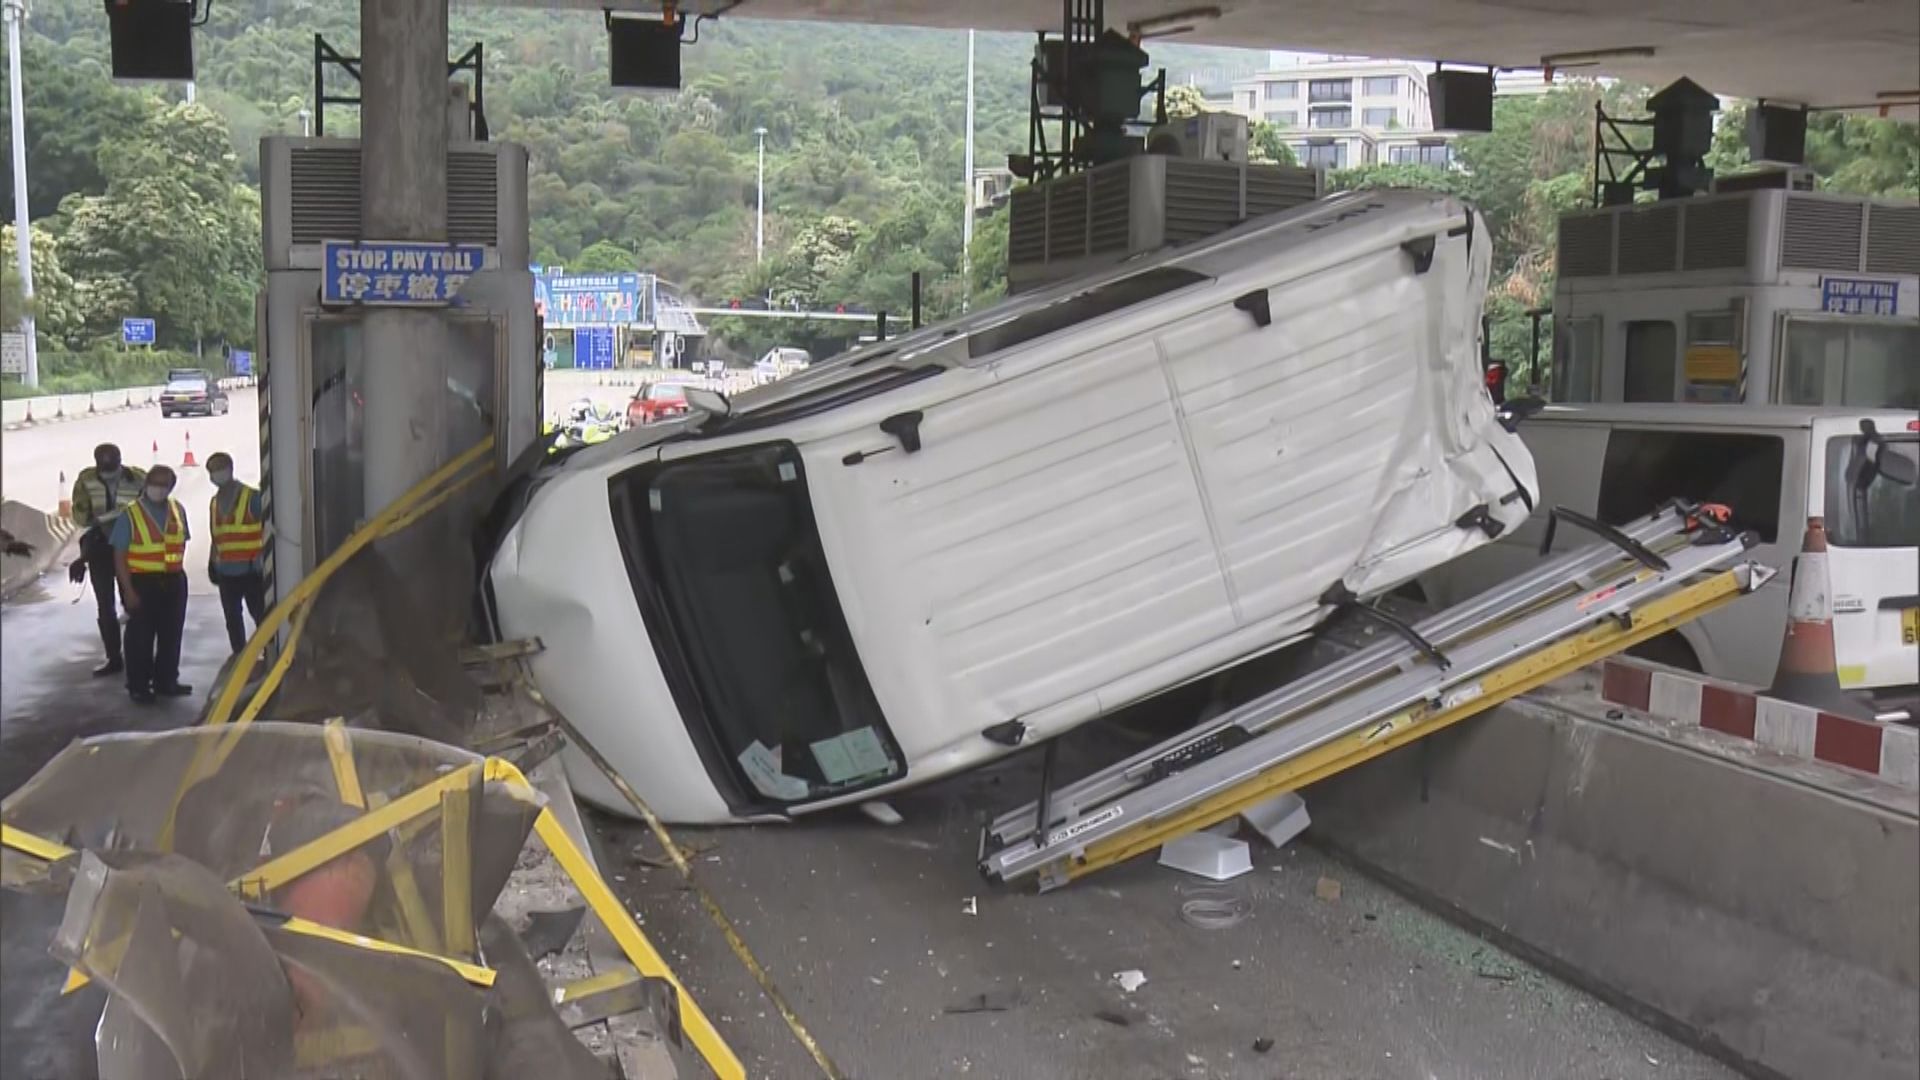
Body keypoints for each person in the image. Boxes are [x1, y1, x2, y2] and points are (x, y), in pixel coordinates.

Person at [112, 465, 191, 704]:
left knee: (171, 635)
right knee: (141, 638)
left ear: (171, 487)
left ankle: (166, 681)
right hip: (142, 583)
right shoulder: (130, 514)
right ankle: (138, 686)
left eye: (164, 484)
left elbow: (181, 542)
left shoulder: (178, 510)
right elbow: (119, 556)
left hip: (174, 581)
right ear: (146, 484)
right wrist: (128, 591)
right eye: (154, 483)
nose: (158, 488)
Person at [70, 444, 148, 677]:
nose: (107, 468)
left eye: (111, 462)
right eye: (102, 464)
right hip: (100, 548)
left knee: (132, 601)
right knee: (105, 606)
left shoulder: (137, 478)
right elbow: (80, 517)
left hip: (132, 547)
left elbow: (148, 507)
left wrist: (105, 518)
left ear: (120, 459)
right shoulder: (86, 480)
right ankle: (114, 657)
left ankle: (139, 654)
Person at [204, 452, 269, 654]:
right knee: (232, 619)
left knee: (261, 616)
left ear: (230, 469)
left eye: (219, 468)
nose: (216, 474)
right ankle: (239, 655)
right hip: (226, 573)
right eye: (212, 470)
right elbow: (216, 536)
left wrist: (263, 560)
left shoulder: (252, 498)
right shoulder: (214, 502)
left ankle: (270, 652)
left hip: (251, 571)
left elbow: (269, 528)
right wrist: (212, 562)